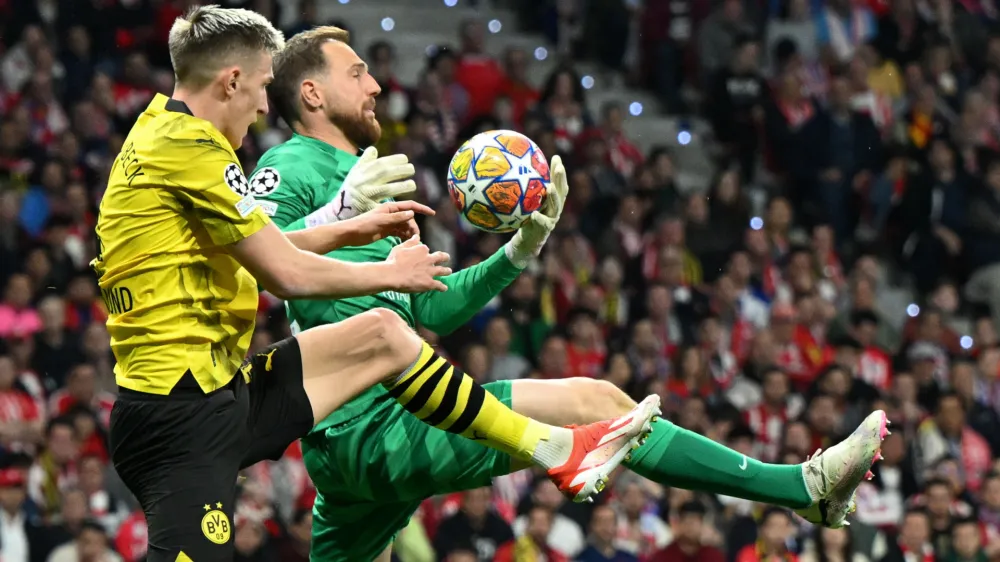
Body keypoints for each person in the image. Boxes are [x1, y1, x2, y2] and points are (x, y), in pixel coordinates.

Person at [252, 24, 893, 562]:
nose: (376, 86)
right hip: (371, 426)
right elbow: (255, 259)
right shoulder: (293, 165)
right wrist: (334, 212)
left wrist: (518, 253)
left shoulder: (375, 180)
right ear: (311, 91)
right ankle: (802, 487)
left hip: (375, 423)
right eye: (358, 72)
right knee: (598, 400)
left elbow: (428, 309)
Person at [94, 8, 660, 561]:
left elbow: (261, 248)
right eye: (263, 87)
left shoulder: (164, 133)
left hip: (223, 391)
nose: (267, 103)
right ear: (232, 80)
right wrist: (388, 271)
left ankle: (555, 448)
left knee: (384, 333)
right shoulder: (191, 150)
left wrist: (349, 223)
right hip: (178, 417)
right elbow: (283, 274)